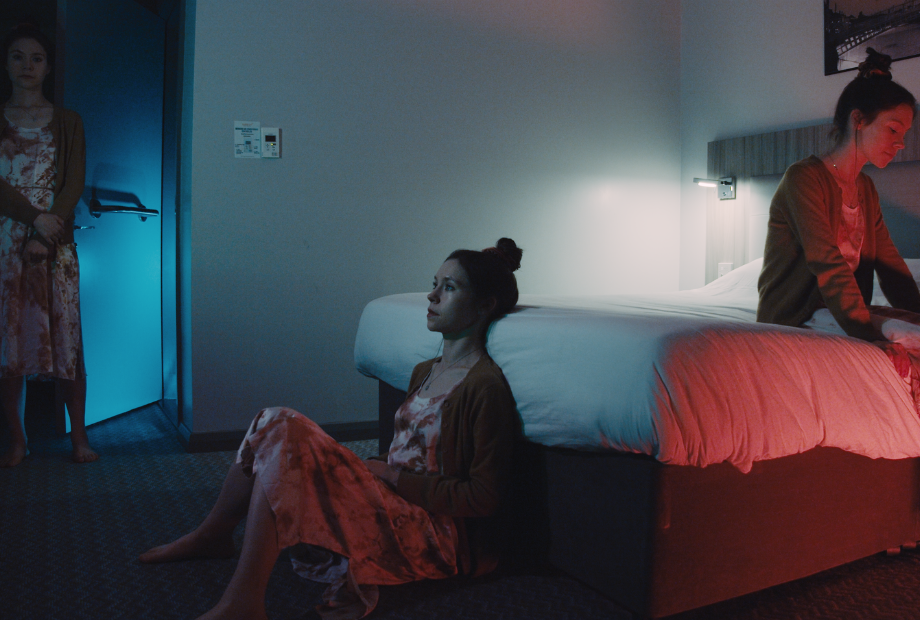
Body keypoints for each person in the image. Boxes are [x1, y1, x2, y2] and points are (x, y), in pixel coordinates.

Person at [139, 238, 524, 620]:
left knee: (285, 428)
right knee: (275, 423)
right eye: (435, 283)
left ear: (485, 305)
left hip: (433, 533)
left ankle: (242, 601)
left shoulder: (483, 386)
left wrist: (390, 475)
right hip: (392, 498)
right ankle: (213, 534)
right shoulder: (426, 370)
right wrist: (372, 472)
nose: (432, 296)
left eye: (449, 288)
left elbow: (483, 497)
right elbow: (404, 450)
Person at [757, 48, 920, 377]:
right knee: (909, 340)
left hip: (836, 313)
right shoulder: (804, 178)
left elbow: (889, 265)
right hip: (795, 316)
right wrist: (867, 337)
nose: (901, 142)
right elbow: (828, 264)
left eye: (904, 134)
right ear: (858, 119)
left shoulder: (865, 189)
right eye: (893, 130)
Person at [0, 24, 95, 466]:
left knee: (68, 341)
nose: (27, 66)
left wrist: (45, 232)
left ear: (49, 67)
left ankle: (79, 437)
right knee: (8, 342)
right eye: (18, 56)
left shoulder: (69, 119)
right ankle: (17, 441)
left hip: (54, 246)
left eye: (36, 58)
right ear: (7, 63)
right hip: (5, 246)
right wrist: (33, 220)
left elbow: (73, 181)